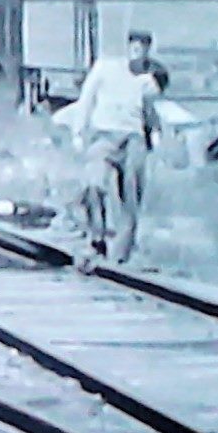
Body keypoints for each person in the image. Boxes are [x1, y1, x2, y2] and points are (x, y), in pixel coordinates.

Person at [68, 30, 169, 263]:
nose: (137, 54)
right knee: (94, 184)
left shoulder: (148, 81)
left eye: (142, 50)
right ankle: (97, 237)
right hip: (103, 135)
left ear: (147, 52)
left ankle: (122, 254)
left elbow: (150, 111)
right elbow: (86, 100)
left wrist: (155, 135)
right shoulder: (105, 69)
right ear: (128, 48)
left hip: (133, 138)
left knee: (131, 195)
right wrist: (78, 132)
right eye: (134, 48)